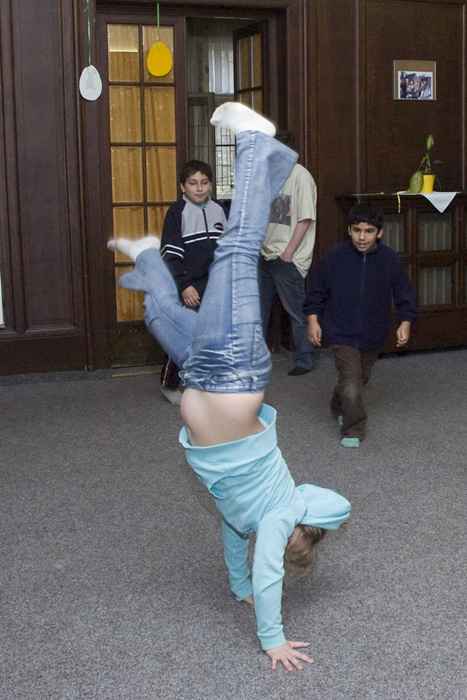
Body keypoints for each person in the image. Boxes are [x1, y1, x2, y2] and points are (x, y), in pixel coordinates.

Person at [107, 102, 350, 672]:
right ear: (303, 531)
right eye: (297, 546)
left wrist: (238, 586)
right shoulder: (285, 510)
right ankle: (256, 144)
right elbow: (300, 543)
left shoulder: (249, 520)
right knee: (236, 252)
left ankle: (147, 255)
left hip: (202, 375)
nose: (283, 549)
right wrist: (272, 638)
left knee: (159, 316)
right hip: (234, 373)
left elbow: (239, 552)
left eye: (291, 549)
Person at [303, 201, 417, 448]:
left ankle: (338, 405)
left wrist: (405, 323)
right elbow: (316, 291)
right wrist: (313, 320)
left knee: (359, 377)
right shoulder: (334, 258)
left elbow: (404, 295)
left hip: (373, 333)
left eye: (369, 231)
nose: (362, 237)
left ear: (380, 232)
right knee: (352, 382)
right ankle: (353, 429)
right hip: (339, 330)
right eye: (357, 230)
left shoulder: (389, 260)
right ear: (349, 230)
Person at [159, 159, 228, 404]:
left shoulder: (220, 210)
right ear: (182, 186)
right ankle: (169, 385)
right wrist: (184, 285)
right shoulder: (177, 213)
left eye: (204, 183)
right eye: (193, 183)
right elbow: (169, 257)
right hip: (190, 286)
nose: (199, 188)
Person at [258, 130, 317, 376]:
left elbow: (305, 219)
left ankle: (306, 359)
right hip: (265, 254)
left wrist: (288, 254)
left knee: (297, 312)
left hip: (287, 257)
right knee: (258, 310)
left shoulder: (301, 176)